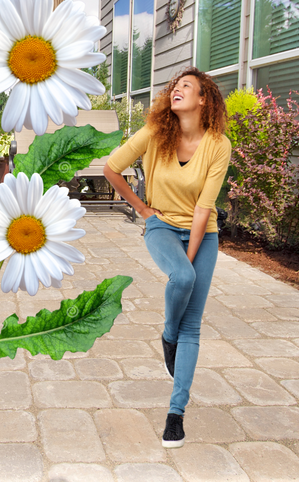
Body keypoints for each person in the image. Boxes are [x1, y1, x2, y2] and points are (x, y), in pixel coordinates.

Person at [103, 67, 231, 448]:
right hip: (160, 226)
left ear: (203, 99)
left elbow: (204, 209)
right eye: (174, 86)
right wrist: (143, 210)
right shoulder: (156, 133)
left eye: (186, 87)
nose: (176, 90)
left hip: (201, 233)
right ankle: (167, 334)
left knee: (193, 324)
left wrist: (189, 261)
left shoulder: (218, 144)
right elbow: (112, 168)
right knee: (184, 279)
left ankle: (176, 415)